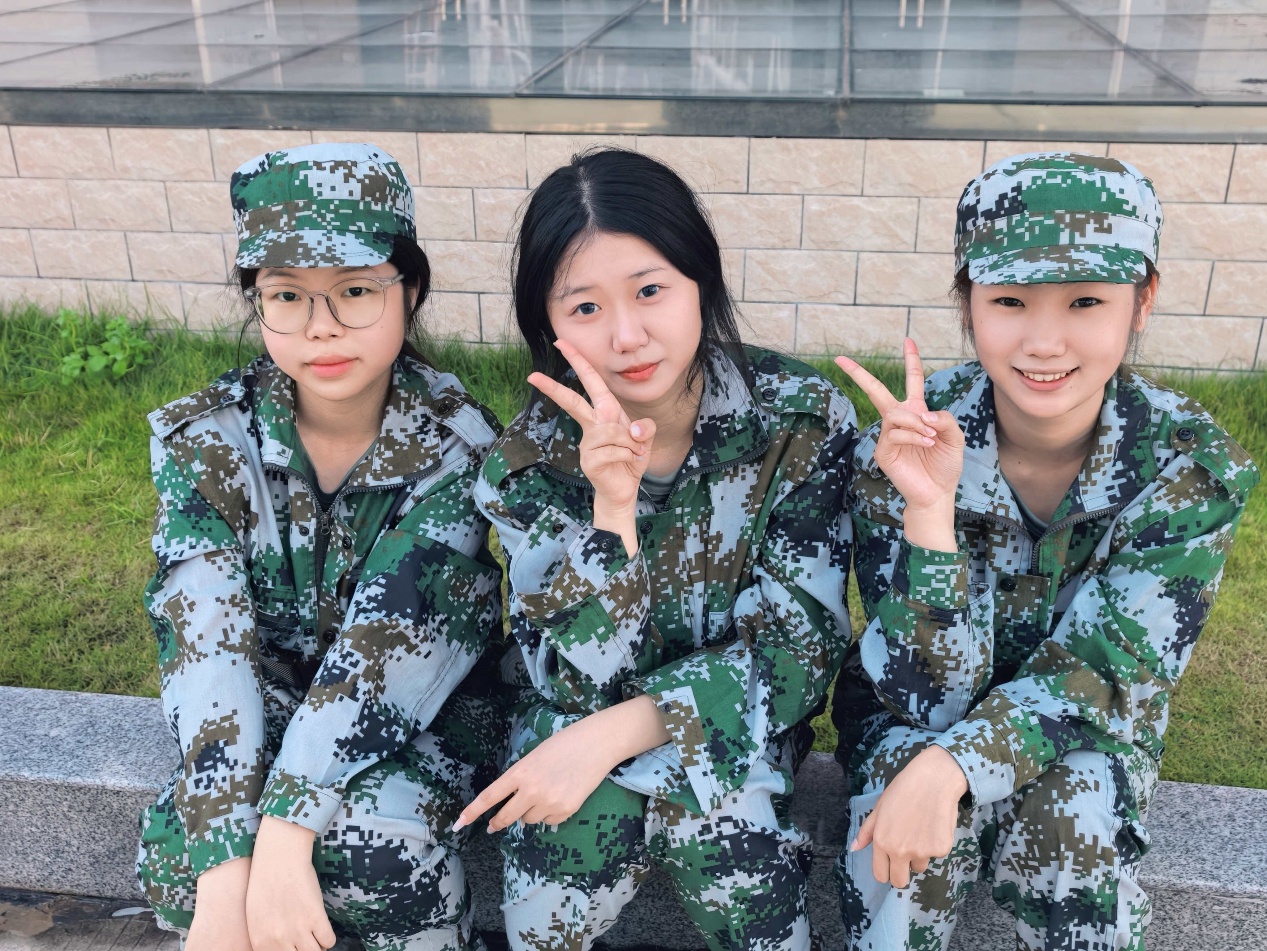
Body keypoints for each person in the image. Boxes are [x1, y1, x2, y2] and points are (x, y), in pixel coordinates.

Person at [830, 151, 1259, 951]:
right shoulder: (901, 447)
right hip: (914, 711)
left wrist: (953, 767)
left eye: (1085, 300)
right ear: (968, 303)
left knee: (1076, 811)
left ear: (1142, 301)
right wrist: (929, 513)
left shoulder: (1188, 467)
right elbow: (925, 697)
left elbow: (1105, 673)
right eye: (1009, 300)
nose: (1043, 340)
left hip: (1087, 727)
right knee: (896, 824)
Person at [454, 147, 857, 951]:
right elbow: (573, 678)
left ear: (699, 280)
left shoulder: (800, 425)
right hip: (571, 720)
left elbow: (797, 657)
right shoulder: (525, 464)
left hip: (736, 725)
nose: (626, 336)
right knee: (557, 872)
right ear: (548, 325)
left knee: (726, 831)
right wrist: (612, 512)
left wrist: (616, 733)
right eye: (584, 307)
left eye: (649, 291)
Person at [136, 143, 506, 951]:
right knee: (180, 853)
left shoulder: (459, 446)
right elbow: (206, 639)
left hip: (422, 712)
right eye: (286, 295)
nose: (321, 326)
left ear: (409, 290)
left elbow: (389, 648)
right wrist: (227, 864)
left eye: (355, 291)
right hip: (269, 703)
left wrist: (286, 826)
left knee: (374, 845)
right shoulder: (207, 441)